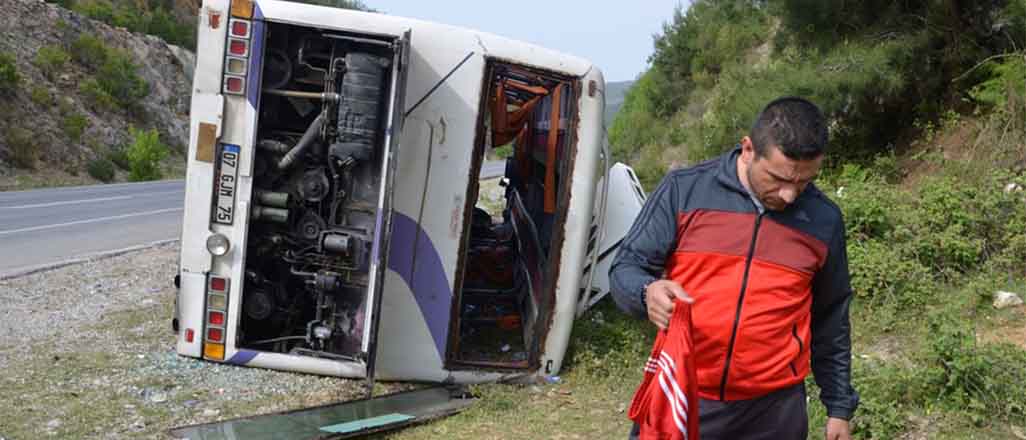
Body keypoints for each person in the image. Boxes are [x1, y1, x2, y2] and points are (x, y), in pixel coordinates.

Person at [610, 97, 859, 440]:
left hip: (775, 411)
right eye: (778, 178)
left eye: (803, 183)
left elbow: (831, 319)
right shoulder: (685, 190)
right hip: (686, 393)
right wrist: (646, 291)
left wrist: (839, 407)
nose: (789, 195)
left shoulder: (823, 219)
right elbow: (625, 268)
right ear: (747, 149)